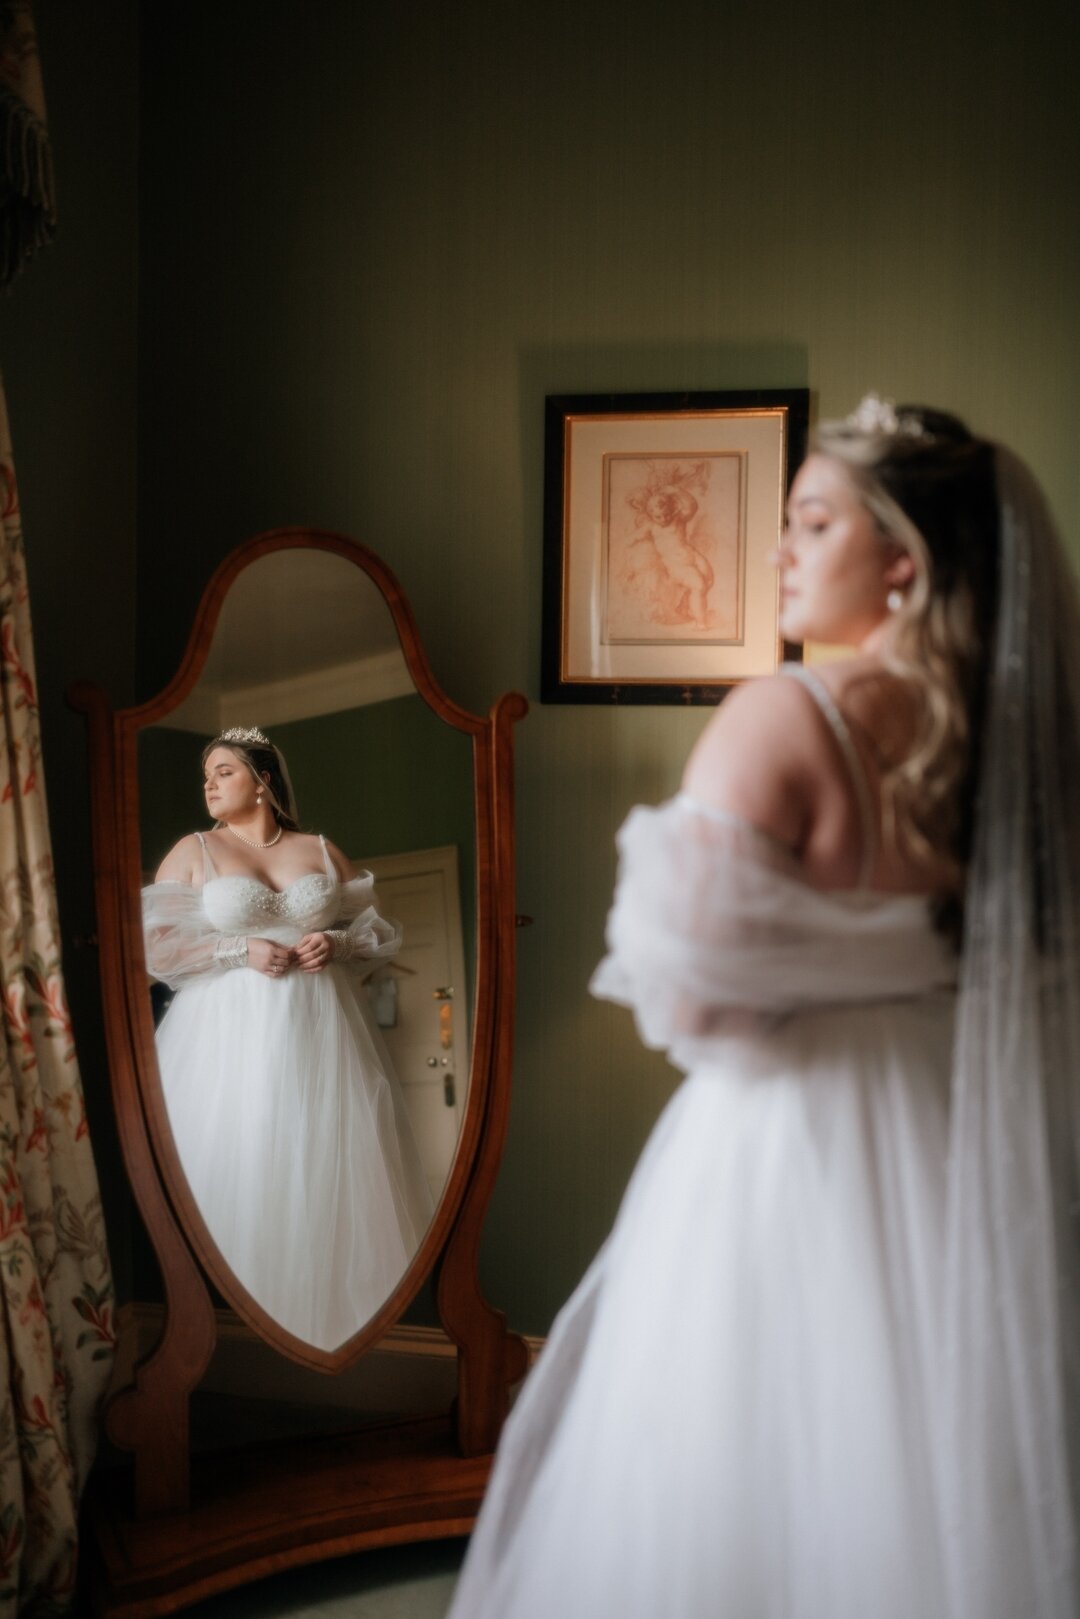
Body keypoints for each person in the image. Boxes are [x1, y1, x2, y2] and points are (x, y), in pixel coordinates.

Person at [448, 398, 1080, 1618]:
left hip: (791, 1148)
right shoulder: (1037, 755)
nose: (778, 550)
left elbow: (685, 1001)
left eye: (810, 520)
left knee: (742, 1484)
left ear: (904, 558)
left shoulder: (787, 717)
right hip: (976, 1136)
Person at [142, 726, 434, 1352]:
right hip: (228, 1037)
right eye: (206, 775)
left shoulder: (321, 850)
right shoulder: (194, 850)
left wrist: (338, 941)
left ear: (262, 779)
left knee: (325, 1162)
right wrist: (235, 948)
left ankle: (326, 1338)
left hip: (322, 1031)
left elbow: (378, 931)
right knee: (242, 1162)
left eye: (223, 771)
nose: (209, 784)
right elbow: (154, 946)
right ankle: (239, 1339)